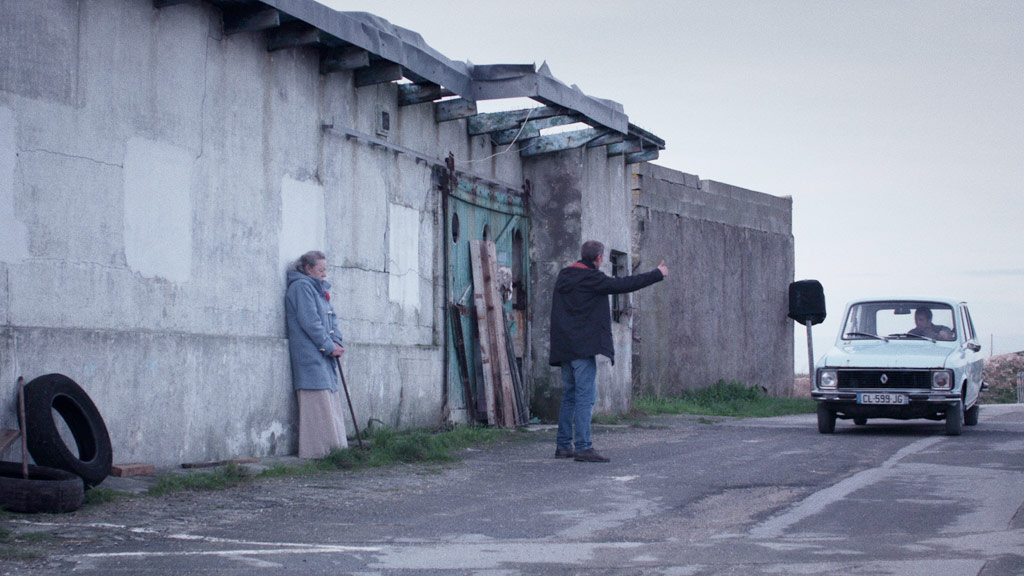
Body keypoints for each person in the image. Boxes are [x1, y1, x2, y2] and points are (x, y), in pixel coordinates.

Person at [549, 240, 668, 462]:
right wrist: (657, 274)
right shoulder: (592, 279)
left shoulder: (564, 276)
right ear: (599, 258)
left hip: (564, 347)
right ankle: (584, 447)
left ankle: (564, 445)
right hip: (582, 348)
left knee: (570, 397)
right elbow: (624, 284)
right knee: (585, 398)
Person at [285, 250, 349, 458]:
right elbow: (311, 322)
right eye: (320, 270)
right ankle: (318, 450)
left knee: (328, 397)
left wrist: (337, 341)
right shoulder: (301, 288)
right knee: (317, 399)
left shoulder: (318, 289)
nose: (324, 274)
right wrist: (329, 346)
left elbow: (332, 319)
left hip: (324, 354)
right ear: (307, 268)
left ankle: (334, 449)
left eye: (325, 269)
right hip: (310, 354)